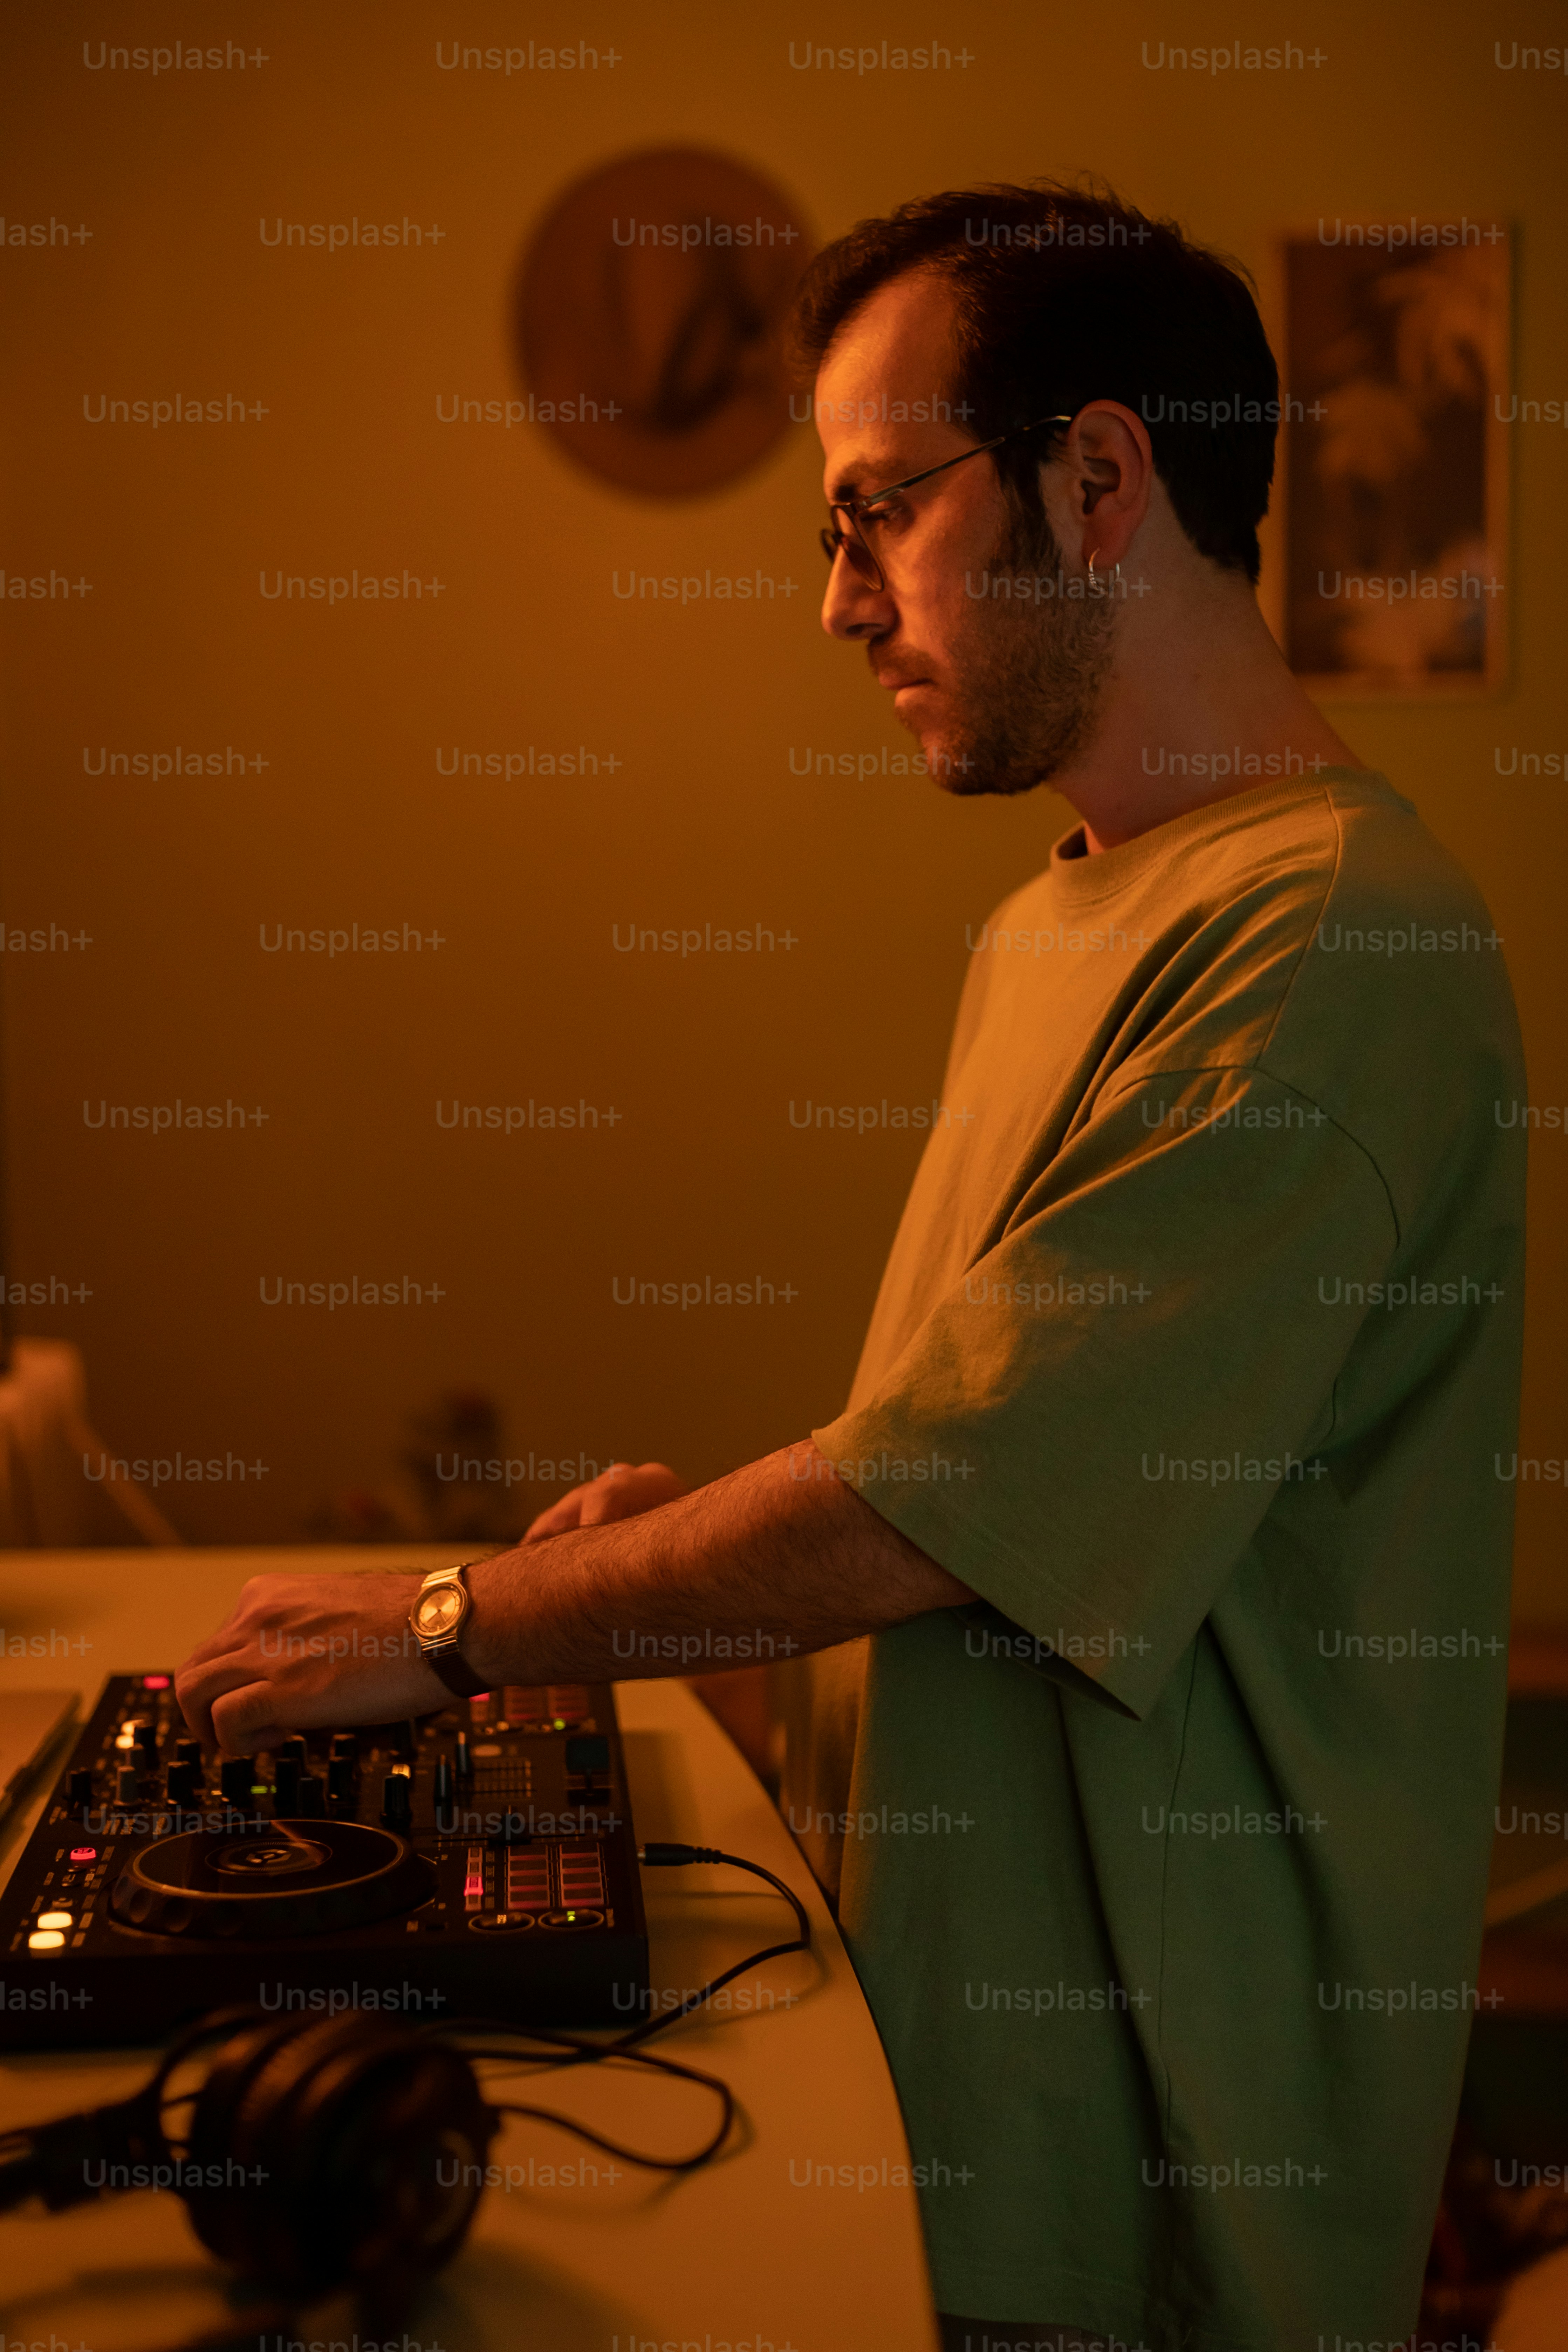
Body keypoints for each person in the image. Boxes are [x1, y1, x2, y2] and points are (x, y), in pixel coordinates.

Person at [176, 181, 1526, 2352]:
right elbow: (1003, 1490)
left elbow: (936, 1502)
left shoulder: (1335, 945)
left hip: (1154, 2206)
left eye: (874, 512)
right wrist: (714, 1590)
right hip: (964, 2112)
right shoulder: (1067, 913)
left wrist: (457, 1626)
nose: (835, 605)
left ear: (1098, 480)